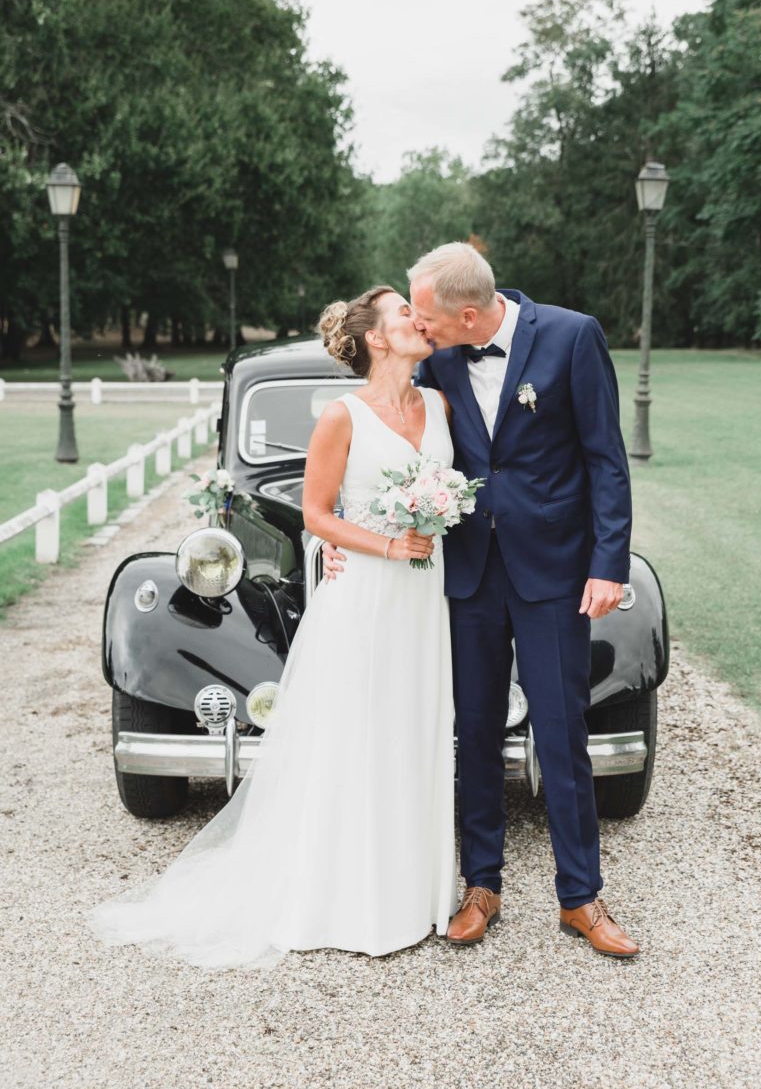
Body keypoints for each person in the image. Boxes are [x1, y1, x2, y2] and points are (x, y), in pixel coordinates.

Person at [89, 286, 458, 969]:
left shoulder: (436, 405)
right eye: (405, 311)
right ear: (377, 337)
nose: (418, 316)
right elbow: (317, 515)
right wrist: (387, 544)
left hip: (422, 596)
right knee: (357, 734)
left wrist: (437, 516)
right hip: (368, 591)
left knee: (415, 723)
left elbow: (450, 488)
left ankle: (417, 892)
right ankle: (349, 898)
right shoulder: (342, 417)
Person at [326, 243, 639, 958]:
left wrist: (607, 563)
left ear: (467, 314)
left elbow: (605, 459)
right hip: (463, 576)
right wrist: (342, 531)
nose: (419, 324)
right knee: (472, 732)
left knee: (562, 732)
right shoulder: (434, 357)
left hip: (555, 573)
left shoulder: (572, 336)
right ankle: (482, 885)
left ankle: (581, 897)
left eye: (426, 314)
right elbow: (374, 407)